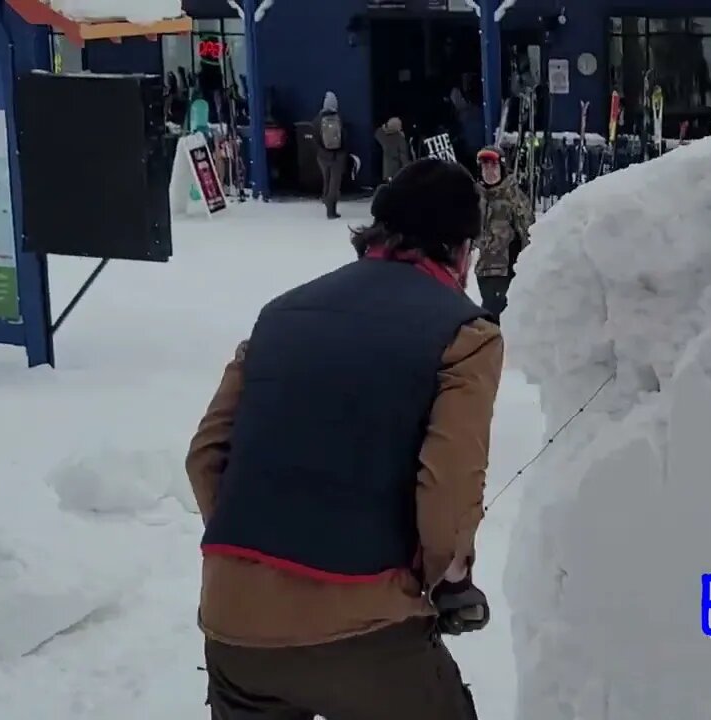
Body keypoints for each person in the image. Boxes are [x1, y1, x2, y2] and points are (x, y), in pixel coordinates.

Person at [187, 157, 501, 720]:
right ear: (459, 251)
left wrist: (257, 552)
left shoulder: (278, 315)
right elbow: (449, 494)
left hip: (234, 627)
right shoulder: (465, 333)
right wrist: (446, 581)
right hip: (366, 630)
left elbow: (206, 456)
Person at [473, 146, 533, 323]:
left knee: (497, 319)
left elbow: (529, 231)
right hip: (483, 270)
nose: (489, 172)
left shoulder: (513, 197)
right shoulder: (475, 197)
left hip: (505, 271)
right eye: (485, 167)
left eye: (493, 166)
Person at [314, 91, 345, 219]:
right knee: (334, 183)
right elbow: (344, 137)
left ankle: (326, 201)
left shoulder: (317, 119)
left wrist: (321, 149)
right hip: (337, 156)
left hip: (322, 156)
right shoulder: (338, 118)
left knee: (326, 181)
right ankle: (331, 211)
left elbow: (315, 137)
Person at [374, 116, 412, 182]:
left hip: (386, 171)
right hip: (396, 170)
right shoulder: (399, 138)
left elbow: (378, 132)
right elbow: (403, 155)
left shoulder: (380, 134)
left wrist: (384, 127)